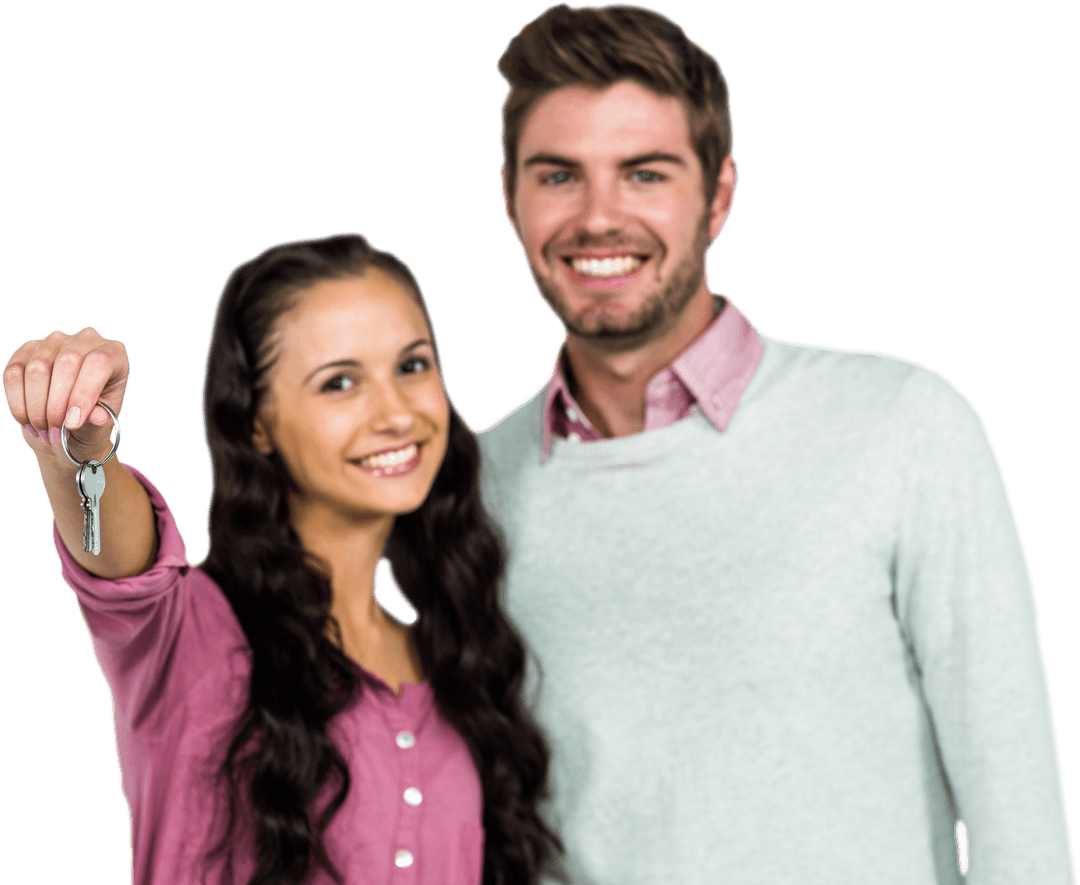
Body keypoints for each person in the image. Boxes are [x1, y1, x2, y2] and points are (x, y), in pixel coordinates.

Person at [477, 4, 1077, 884]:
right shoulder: (473, 485)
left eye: (645, 174)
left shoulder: (904, 426)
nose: (598, 218)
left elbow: (1017, 811)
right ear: (510, 198)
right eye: (559, 176)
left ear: (719, 195)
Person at [3, 232, 564, 885]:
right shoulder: (189, 637)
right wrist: (77, 442)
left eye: (412, 366)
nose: (396, 412)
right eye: (340, 381)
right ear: (257, 420)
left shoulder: (462, 670)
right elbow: (113, 551)